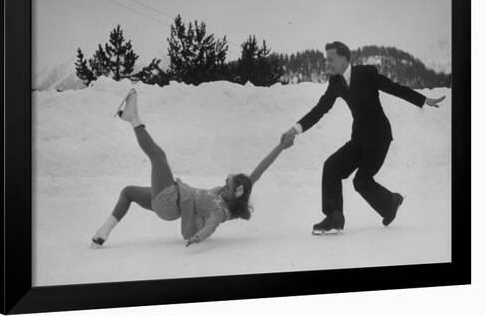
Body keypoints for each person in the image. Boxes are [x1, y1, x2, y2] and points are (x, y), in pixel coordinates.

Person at [91, 88, 291, 248]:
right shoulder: (240, 188)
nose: (224, 186)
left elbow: (210, 227)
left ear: (236, 193)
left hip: (172, 199)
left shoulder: (220, 211)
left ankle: (133, 118)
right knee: (128, 192)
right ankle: (102, 233)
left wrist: (196, 237)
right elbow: (260, 170)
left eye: (228, 186)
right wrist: (281, 147)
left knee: (158, 157)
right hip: (170, 202)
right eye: (226, 182)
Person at [281, 41, 446, 235]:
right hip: (359, 138)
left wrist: (422, 99)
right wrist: (296, 129)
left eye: (331, 60)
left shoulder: (366, 73)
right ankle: (335, 217)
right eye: (327, 60)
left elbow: (394, 88)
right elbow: (320, 109)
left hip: (379, 137)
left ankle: (391, 202)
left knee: (361, 181)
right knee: (332, 166)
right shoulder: (336, 82)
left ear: (344, 59)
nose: (328, 64)